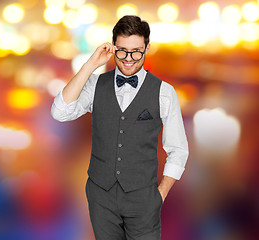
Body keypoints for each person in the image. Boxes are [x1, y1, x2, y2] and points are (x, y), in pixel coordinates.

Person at [50, 15, 189, 240]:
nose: (129, 58)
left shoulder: (164, 92)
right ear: (113, 48)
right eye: (122, 50)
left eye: (136, 51)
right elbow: (60, 111)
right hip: (100, 197)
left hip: (143, 198)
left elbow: (178, 150)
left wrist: (159, 195)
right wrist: (90, 65)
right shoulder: (95, 84)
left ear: (147, 48)